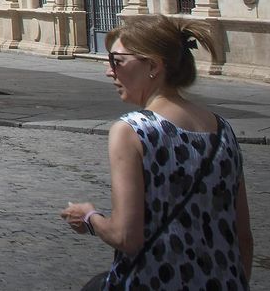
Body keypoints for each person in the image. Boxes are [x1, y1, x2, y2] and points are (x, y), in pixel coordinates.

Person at [60, 16, 252, 289]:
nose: (109, 71)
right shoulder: (223, 129)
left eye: (117, 61)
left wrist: (90, 216)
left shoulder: (132, 130)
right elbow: (242, 236)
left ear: (153, 65)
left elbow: (126, 236)